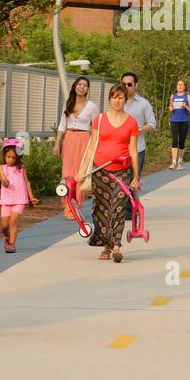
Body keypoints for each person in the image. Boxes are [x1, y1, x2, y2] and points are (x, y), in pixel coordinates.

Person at [76, 84, 141, 263]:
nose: (117, 100)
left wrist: (136, 177)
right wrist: (81, 172)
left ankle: (117, 245)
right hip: (100, 170)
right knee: (101, 210)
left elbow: (133, 151)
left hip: (122, 171)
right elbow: (91, 146)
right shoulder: (99, 119)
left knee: (118, 208)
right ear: (109, 99)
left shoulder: (131, 122)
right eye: (114, 97)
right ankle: (107, 245)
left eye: (120, 97)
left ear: (125, 99)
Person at [53, 76, 98, 210]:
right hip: (69, 139)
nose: (81, 87)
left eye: (84, 85)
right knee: (67, 171)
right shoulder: (68, 103)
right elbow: (62, 125)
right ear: (74, 86)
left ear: (87, 89)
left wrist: (95, 146)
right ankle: (67, 205)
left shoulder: (92, 106)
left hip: (84, 139)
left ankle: (77, 204)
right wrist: (57, 143)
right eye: (79, 84)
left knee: (81, 172)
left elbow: (96, 128)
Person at [0, 138, 38, 253]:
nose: (10, 160)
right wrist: (5, 182)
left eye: (14, 158)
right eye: (8, 157)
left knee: (13, 221)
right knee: (4, 225)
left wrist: (31, 197)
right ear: (4, 156)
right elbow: (2, 178)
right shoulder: (1, 168)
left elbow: (27, 182)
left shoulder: (21, 168)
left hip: (20, 198)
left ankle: (12, 244)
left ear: (18, 157)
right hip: (6, 199)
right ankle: (6, 237)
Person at [121, 72, 158, 176]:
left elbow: (152, 123)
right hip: (119, 149)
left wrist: (139, 129)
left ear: (136, 85)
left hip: (138, 149)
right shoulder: (117, 101)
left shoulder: (144, 103)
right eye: (123, 84)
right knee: (119, 185)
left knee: (133, 183)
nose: (126, 87)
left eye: (129, 84)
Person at [168, 79, 190, 170]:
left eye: (182, 85)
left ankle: (180, 161)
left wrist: (186, 106)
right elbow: (170, 107)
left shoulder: (188, 96)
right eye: (178, 84)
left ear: (184, 87)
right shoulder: (173, 96)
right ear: (176, 87)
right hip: (174, 120)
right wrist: (170, 108)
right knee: (175, 141)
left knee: (182, 141)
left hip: (184, 121)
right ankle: (173, 162)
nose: (179, 86)